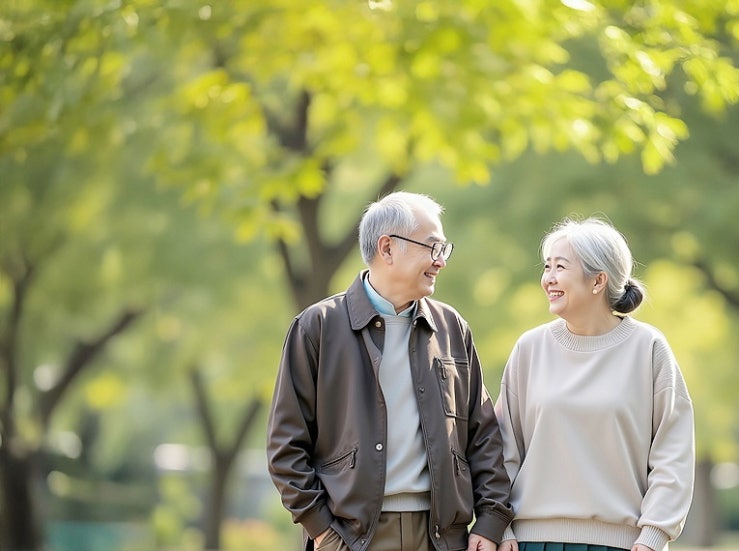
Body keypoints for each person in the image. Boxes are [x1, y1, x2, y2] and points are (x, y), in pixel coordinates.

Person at [267, 191, 513, 551]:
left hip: (442, 538)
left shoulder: (451, 328)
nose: (440, 261)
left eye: (443, 250)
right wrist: (322, 530)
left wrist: (491, 521)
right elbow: (285, 448)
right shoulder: (317, 327)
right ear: (387, 248)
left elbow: (483, 436)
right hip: (352, 539)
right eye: (432, 248)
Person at [495, 217, 695, 551]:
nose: (548, 279)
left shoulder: (648, 348)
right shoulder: (530, 349)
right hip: (530, 543)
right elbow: (502, 448)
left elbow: (673, 454)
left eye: (560, 267)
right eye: (547, 267)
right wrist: (500, 528)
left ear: (598, 280)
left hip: (624, 545)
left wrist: (653, 537)